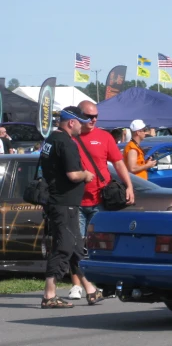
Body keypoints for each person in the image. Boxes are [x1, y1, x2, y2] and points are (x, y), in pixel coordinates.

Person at [67, 100, 135, 300]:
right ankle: (77, 285)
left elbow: (119, 163)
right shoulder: (69, 138)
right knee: (76, 244)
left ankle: (105, 284)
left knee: (101, 244)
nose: (93, 120)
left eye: (96, 116)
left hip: (100, 200)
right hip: (77, 200)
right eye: (88, 116)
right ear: (78, 117)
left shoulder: (104, 137)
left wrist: (129, 186)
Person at [39, 106, 104, 309]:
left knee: (76, 247)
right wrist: (86, 174)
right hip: (63, 203)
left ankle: (91, 290)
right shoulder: (66, 143)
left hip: (61, 201)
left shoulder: (51, 140)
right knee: (64, 246)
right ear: (71, 122)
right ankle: (49, 295)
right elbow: (73, 175)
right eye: (81, 123)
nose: (83, 127)